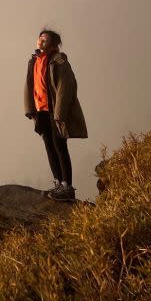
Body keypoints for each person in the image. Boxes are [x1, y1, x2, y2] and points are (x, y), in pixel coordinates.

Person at [24, 29, 88, 201]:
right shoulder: (34, 61)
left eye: (44, 39)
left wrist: (59, 112)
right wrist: (30, 109)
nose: (40, 41)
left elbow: (65, 88)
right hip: (41, 111)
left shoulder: (59, 61)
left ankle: (67, 187)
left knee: (60, 146)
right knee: (49, 146)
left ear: (53, 44)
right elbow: (29, 86)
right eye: (39, 38)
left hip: (54, 111)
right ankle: (58, 183)